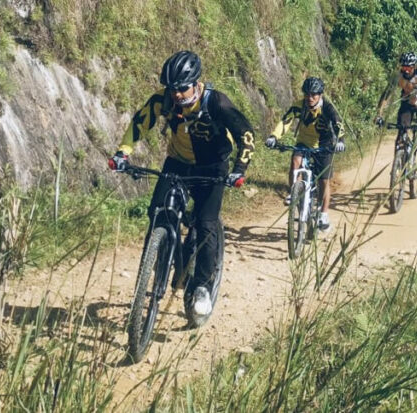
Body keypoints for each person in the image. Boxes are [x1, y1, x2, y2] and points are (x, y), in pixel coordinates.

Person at [109, 50, 255, 318]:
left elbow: (245, 134)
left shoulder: (216, 103)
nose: (176, 94)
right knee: (158, 214)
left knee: (206, 224)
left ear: (196, 82)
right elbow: (140, 123)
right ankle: (160, 258)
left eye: (182, 88)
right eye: (172, 88)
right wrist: (123, 153)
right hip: (178, 162)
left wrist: (239, 169)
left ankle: (201, 287)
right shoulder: (164, 101)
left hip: (213, 167)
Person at [265, 76, 346, 231]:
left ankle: (323, 214)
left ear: (320, 94)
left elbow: (338, 124)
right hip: (304, 143)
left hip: (324, 146)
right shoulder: (299, 106)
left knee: (324, 181)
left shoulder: (328, 108)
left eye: (314, 94)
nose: (310, 98)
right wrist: (274, 136)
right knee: (295, 161)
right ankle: (294, 192)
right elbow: (285, 122)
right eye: (307, 94)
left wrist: (341, 141)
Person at [374, 51, 417, 179]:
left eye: (409, 67)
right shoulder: (398, 76)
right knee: (401, 133)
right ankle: (397, 164)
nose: (406, 70)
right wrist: (379, 114)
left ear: (415, 66)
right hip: (407, 105)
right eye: (403, 67)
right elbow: (386, 95)